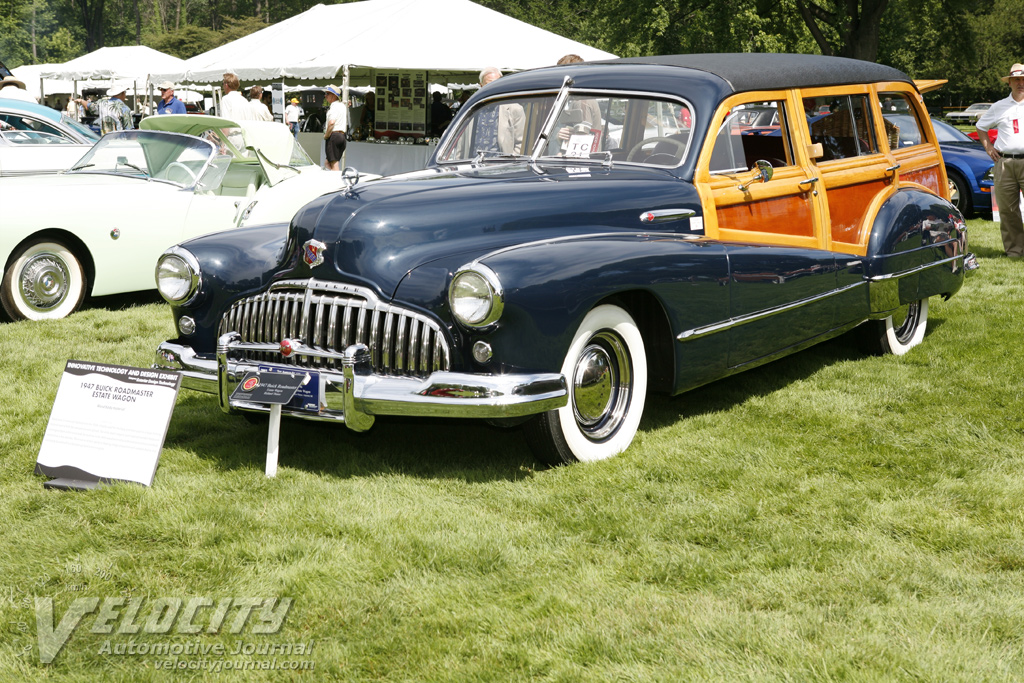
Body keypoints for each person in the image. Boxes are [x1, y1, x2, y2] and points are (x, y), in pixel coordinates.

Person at [977, 62, 1024, 258]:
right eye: (1016, 79)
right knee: (1008, 210)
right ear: (1009, 82)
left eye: (1023, 79)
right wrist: (988, 147)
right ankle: (1015, 251)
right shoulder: (999, 106)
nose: (1020, 83)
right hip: (1004, 164)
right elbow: (981, 126)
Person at [476, 67, 524, 154]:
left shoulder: (515, 109)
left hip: (501, 162)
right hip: (473, 161)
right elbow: (461, 145)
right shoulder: (473, 109)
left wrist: (511, 161)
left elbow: (521, 143)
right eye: (488, 84)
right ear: (481, 86)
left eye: (496, 83)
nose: (493, 87)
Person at [323, 85, 348, 171]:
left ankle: (337, 178)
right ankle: (334, 176)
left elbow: (331, 122)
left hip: (334, 136)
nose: (325, 96)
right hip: (342, 136)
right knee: (328, 163)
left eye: (327, 94)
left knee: (334, 164)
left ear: (334, 96)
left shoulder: (334, 107)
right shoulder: (342, 106)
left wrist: (326, 135)